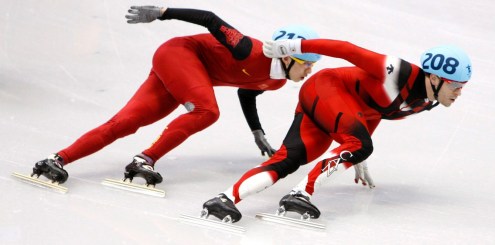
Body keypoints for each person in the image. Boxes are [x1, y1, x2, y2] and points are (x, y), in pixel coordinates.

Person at [29, 6, 322, 186]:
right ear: (287, 55)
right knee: (207, 111)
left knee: (128, 121)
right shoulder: (248, 49)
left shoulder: (276, 82)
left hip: (188, 76)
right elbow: (210, 18)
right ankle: (144, 159)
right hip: (179, 55)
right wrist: (162, 13)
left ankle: (57, 159)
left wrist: (257, 132)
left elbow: (247, 94)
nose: (310, 70)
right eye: (307, 62)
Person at [201, 38, 472, 223]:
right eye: (456, 85)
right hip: (327, 89)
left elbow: (376, 111)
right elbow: (346, 49)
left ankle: (224, 199)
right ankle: (299, 195)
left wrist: (358, 151)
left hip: (337, 106)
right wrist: (295, 46)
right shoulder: (397, 70)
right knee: (358, 145)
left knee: (290, 157)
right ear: (434, 78)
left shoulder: (426, 101)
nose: (460, 93)